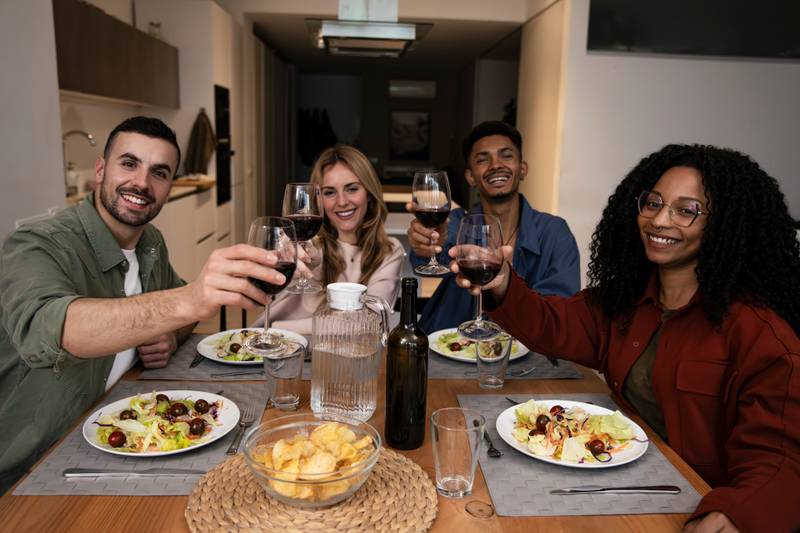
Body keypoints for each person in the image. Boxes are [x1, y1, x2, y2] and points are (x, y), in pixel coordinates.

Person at [451, 144, 800, 532]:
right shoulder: (626, 299)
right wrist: (502, 285)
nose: (660, 220)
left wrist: (736, 511)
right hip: (612, 482)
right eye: (653, 203)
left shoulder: (761, 335)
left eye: (686, 211)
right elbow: (556, 325)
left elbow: (781, 462)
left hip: (691, 507)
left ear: (725, 225)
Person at [0, 117, 288, 493]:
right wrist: (187, 301)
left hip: (123, 430)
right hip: (33, 465)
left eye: (159, 172)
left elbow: (177, 307)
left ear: (170, 187)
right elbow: (55, 328)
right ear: (101, 170)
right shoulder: (35, 244)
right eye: (129, 163)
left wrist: (170, 331)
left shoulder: (149, 241)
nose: (142, 183)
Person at [407, 120, 580, 333]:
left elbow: (560, 314)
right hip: (451, 351)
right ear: (470, 177)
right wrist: (429, 243)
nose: (496, 165)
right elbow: (431, 258)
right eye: (482, 160)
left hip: (527, 358)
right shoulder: (457, 222)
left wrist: (507, 287)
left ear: (523, 169)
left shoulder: (554, 233)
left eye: (506, 155)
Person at [263, 144, 403, 333]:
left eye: (352, 189)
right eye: (329, 192)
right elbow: (291, 259)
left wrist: (282, 328)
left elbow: (369, 323)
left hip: (324, 352)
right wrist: (292, 260)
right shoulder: (307, 244)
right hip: (277, 350)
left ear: (369, 194)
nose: (342, 202)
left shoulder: (389, 251)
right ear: (318, 200)